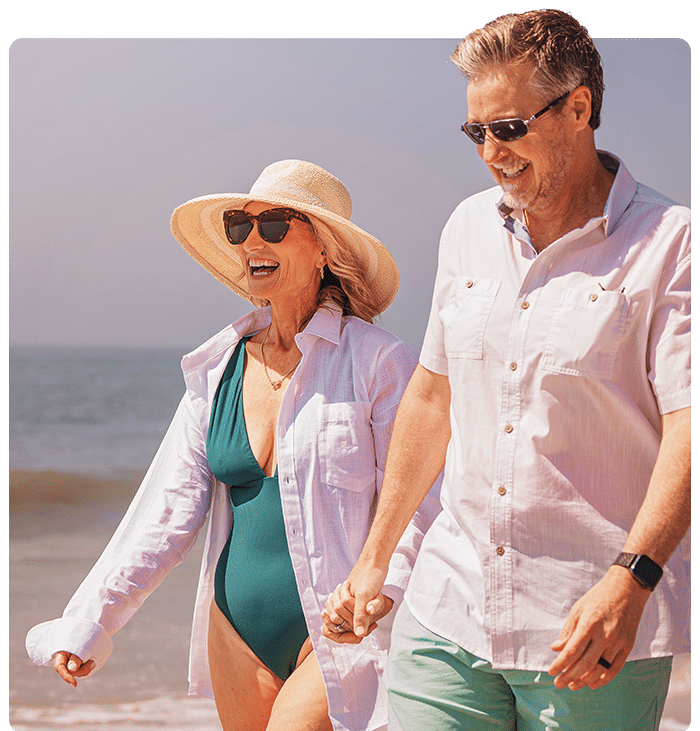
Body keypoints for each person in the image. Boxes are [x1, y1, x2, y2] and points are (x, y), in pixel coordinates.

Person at [323, 12, 690, 731]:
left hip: (589, 633)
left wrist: (633, 578)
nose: (492, 151)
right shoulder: (465, 228)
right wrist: (375, 558)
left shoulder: (672, 243)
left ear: (578, 107)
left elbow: (688, 425)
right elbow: (432, 397)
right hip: (447, 611)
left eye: (510, 128)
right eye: (476, 133)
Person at [25, 159, 440, 731]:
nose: (251, 241)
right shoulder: (217, 368)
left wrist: (383, 590)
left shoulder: (379, 361)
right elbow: (165, 513)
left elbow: (422, 494)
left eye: (274, 226)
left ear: (325, 250)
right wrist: (90, 622)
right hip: (235, 630)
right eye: (239, 227)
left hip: (341, 625)